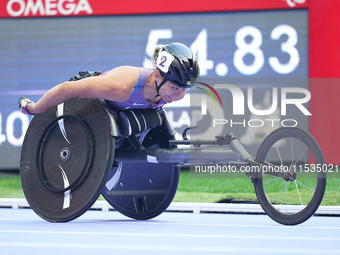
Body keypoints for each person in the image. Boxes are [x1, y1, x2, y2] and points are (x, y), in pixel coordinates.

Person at [19, 42, 200, 115]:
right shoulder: (121, 86)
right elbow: (67, 88)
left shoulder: (165, 90)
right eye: (175, 88)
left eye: (184, 89)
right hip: (92, 109)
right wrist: (34, 109)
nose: (178, 95)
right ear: (157, 75)